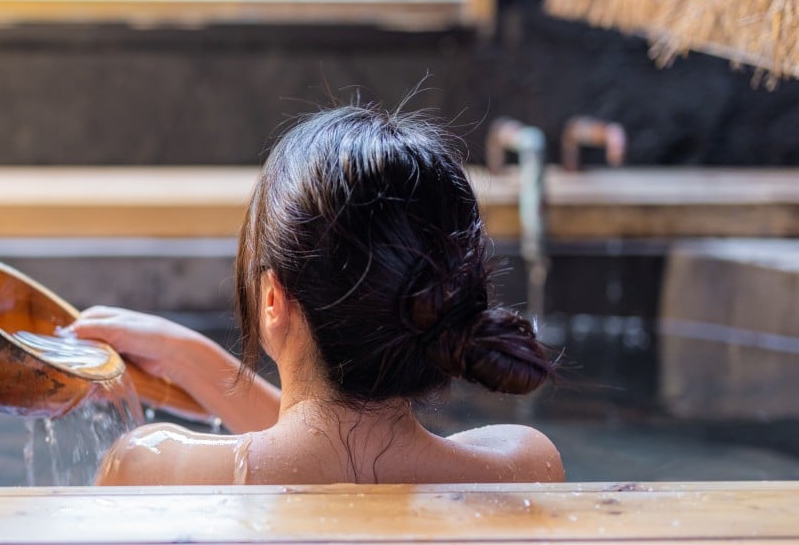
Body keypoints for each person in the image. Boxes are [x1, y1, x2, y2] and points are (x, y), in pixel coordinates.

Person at [70, 103, 564, 485]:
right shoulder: (524, 468)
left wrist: (194, 358)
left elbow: (311, 449)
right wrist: (191, 359)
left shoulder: (148, 468)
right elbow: (347, 449)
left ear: (271, 300)